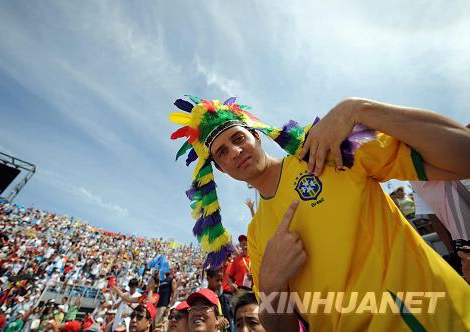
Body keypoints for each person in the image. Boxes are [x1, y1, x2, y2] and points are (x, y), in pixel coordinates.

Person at [169, 96, 470, 331]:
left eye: (238, 138)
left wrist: (359, 108)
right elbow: (283, 329)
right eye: (222, 152)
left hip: (437, 319)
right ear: (220, 169)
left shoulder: (324, 152)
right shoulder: (259, 235)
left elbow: (463, 154)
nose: (234, 152)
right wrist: (273, 285)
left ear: (256, 136)